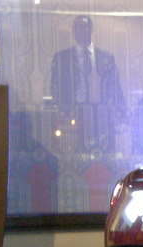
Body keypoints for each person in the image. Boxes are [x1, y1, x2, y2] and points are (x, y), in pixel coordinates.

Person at [49, 14, 123, 150]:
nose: (82, 31)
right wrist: (63, 111)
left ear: (91, 30)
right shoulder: (62, 59)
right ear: (73, 31)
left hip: (101, 117)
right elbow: (54, 89)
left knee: (103, 155)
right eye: (78, 28)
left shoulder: (106, 58)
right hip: (73, 117)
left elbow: (115, 89)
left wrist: (118, 115)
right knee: (75, 154)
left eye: (85, 27)